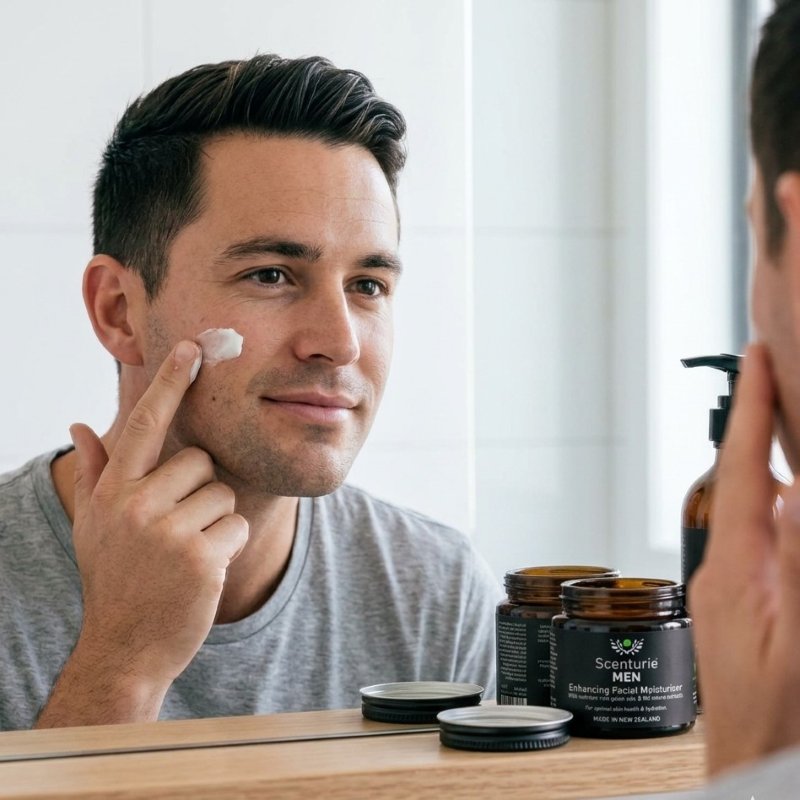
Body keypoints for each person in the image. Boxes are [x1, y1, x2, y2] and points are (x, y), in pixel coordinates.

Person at [0, 54, 500, 731]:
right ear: (119, 310)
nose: (340, 341)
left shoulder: (433, 591)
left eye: (368, 286)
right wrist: (125, 659)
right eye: (271, 275)